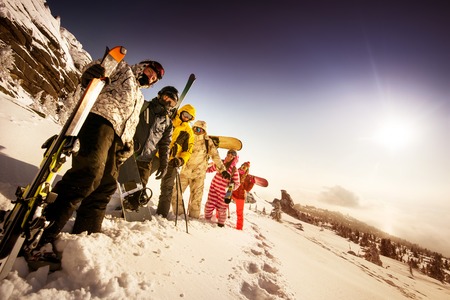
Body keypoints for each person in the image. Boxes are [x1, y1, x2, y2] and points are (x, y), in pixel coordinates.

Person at [34, 58, 164, 263]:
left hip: (118, 139)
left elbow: (130, 122)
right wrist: (89, 74)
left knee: (106, 185)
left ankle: (85, 238)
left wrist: (127, 145)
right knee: (87, 175)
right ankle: (41, 237)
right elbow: (98, 70)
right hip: (99, 122)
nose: (151, 76)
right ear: (142, 66)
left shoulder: (139, 97)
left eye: (154, 78)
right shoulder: (123, 70)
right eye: (150, 71)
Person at [137, 104, 196, 218]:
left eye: (189, 117)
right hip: (157, 155)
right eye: (185, 114)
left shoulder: (188, 132)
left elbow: (188, 150)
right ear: (181, 112)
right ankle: (134, 200)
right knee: (142, 177)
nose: (186, 117)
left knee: (167, 188)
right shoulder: (169, 119)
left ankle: (162, 214)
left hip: (172, 161)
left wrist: (180, 160)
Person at [171, 120, 231, 218]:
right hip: (185, 173)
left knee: (196, 200)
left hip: (199, 175)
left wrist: (223, 170)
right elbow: (178, 151)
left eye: (200, 129)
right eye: (195, 128)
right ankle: (179, 216)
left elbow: (215, 156)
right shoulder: (187, 137)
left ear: (204, 131)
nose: (197, 131)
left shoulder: (208, 142)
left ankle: (193, 219)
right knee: (175, 194)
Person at [204, 149, 240, 227]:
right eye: (228, 155)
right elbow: (210, 169)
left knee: (222, 209)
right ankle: (206, 220)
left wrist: (231, 186)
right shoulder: (221, 164)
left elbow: (237, 183)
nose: (228, 157)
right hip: (214, 188)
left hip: (224, 193)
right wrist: (203, 168)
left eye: (231, 156)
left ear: (234, 158)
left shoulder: (234, 170)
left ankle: (221, 224)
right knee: (209, 205)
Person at [232, 162, 255, 230]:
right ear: (241, 166)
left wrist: (252, 182)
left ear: (247, 169)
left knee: (239, 212)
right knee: (223, 203)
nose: (243, 168)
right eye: (243, 166)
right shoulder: (236, 173)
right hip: (232, 192)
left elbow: (247, 189)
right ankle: (218, 217)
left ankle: (239, 227)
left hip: (240, 196)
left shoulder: (247, 177)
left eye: (245, 167)